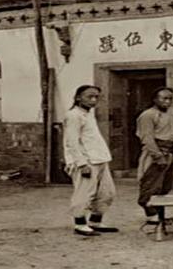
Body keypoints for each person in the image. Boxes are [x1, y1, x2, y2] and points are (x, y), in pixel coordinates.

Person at [63, 85, 118, 236]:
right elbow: (72, 142)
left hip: (99, 159)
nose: (93, 100)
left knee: (107, 193)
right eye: (89, 96)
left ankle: (95, 221)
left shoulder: (88, 114)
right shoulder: (73, 115)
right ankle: (80, 224)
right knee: (84, 193)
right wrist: (81, 164)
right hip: (86, 161)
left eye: (96, 97)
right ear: (78, 98)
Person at [136, 87, 173, 222]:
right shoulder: (148, 115)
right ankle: (151, 216)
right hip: (156, 154)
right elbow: (147, 138)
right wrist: (158, 156)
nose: (167, 102)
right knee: (151, 185)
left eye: (170, 99)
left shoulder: (168, 115)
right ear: (155, 99)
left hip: (169, 153)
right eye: (164, 98)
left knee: (165, 186)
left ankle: (160, 216)